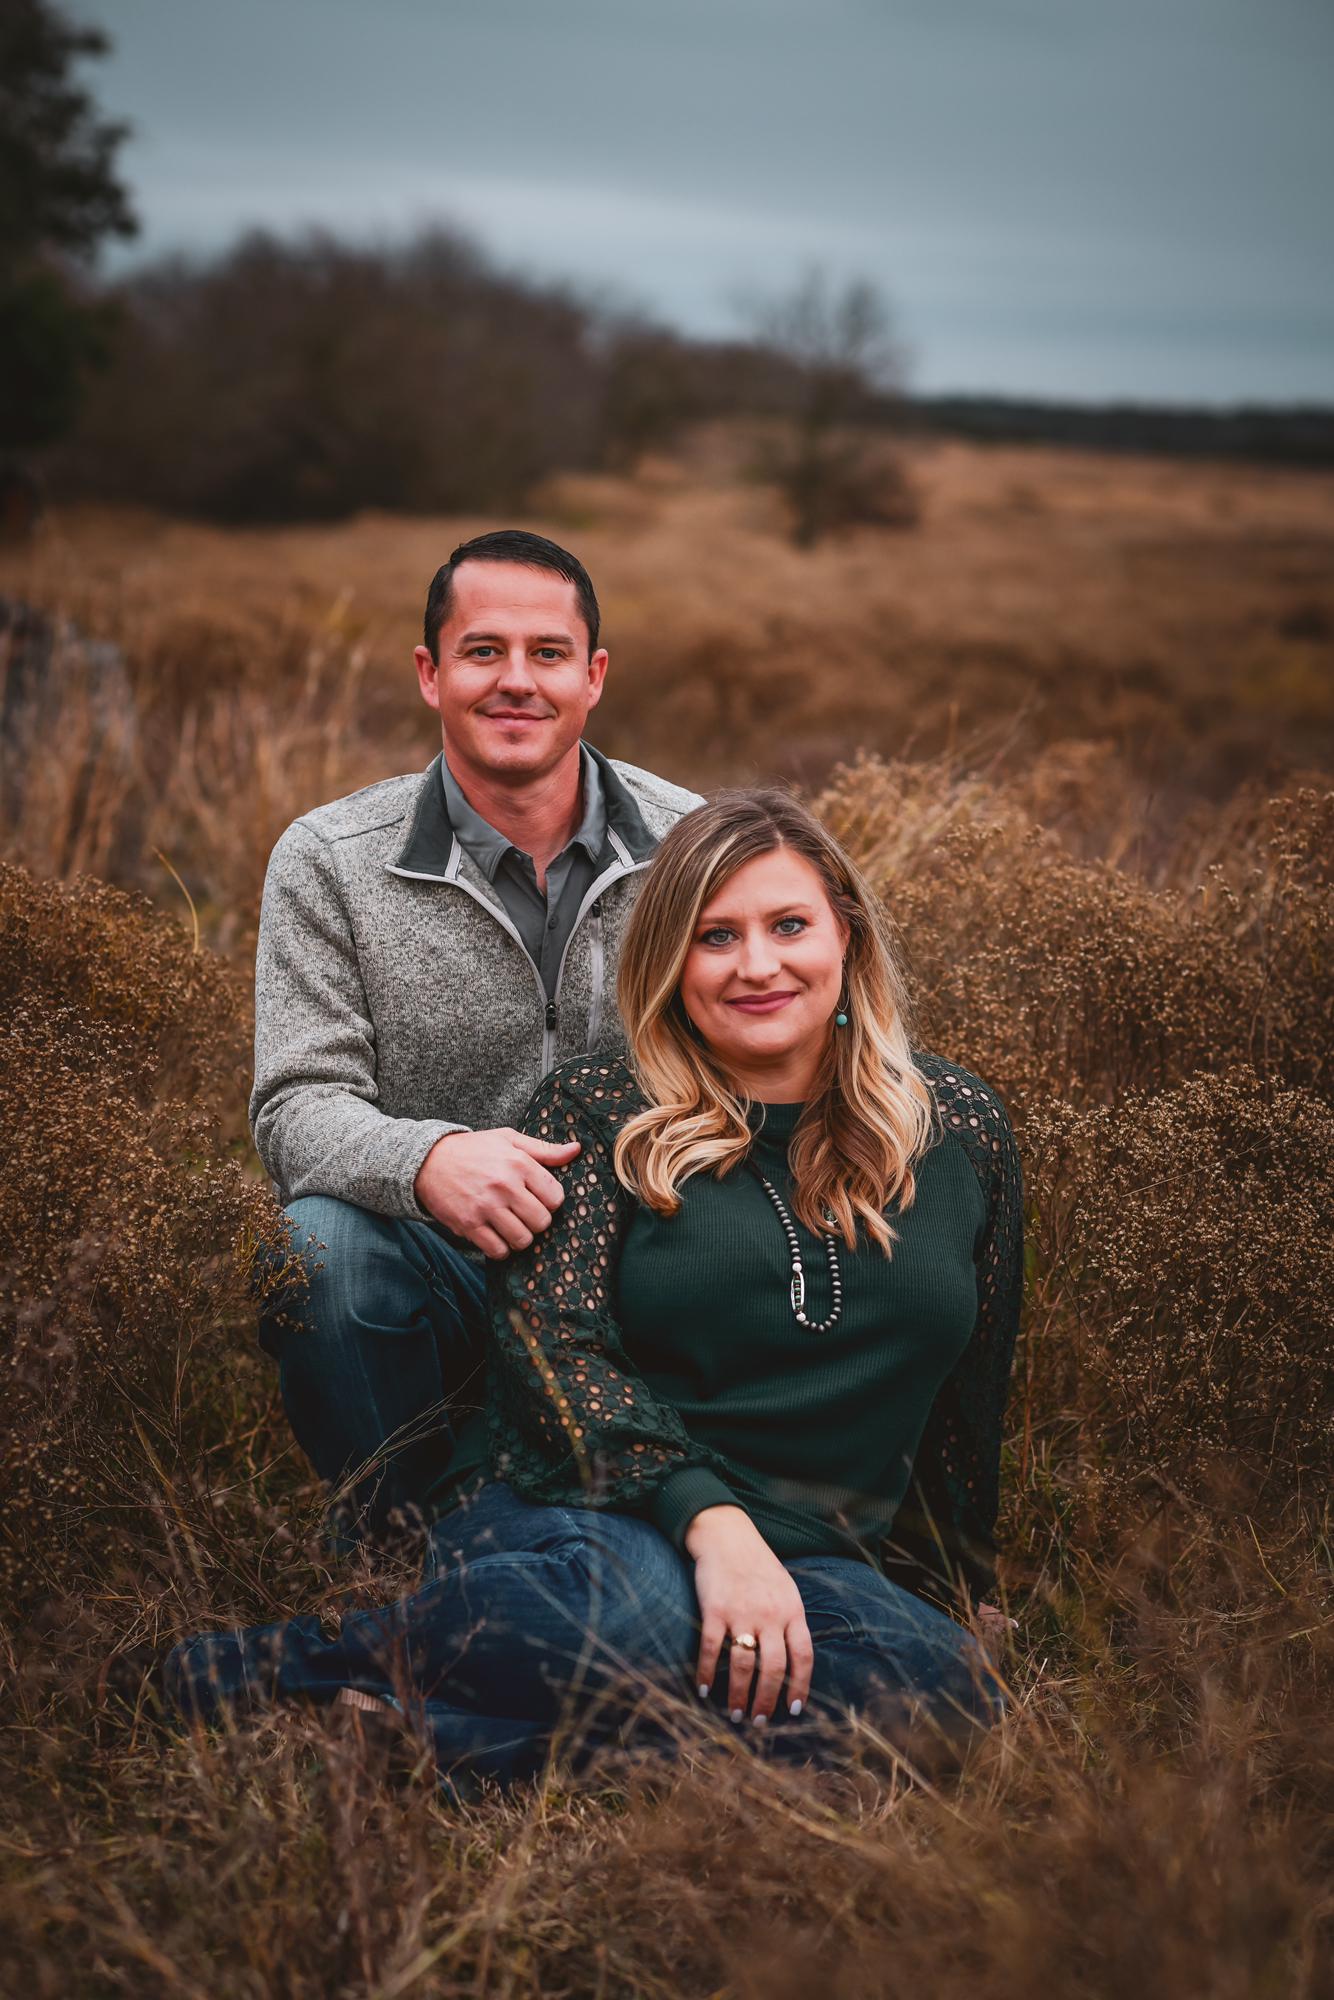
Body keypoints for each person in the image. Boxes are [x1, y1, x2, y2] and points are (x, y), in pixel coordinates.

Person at [164, 789, 1024, 1791]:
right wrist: (713, 1523)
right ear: (670, 963)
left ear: (847, 935)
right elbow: (553, 1350)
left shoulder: (959, 1125)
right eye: (715, 936)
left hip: (817, 1557)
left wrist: (955, 1585)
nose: (757, 965)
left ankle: (449, 1745)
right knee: (639, 1613)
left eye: (788, 925)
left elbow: (969, 1388)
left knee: (942, 1693)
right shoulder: (601, 1108)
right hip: (589, 1510)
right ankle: (258, 1670)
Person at [251, 528, 701, 1537]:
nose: (516, 682)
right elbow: (294, 1105)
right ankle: (401, 1542)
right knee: (319, 1249)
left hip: (648, 1267)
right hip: (442, 1265)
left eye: (548, 653)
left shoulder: (691, 844)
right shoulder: (328, 859)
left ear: (593, 677)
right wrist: (429, 1162)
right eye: (483, 651)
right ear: (431, 673)